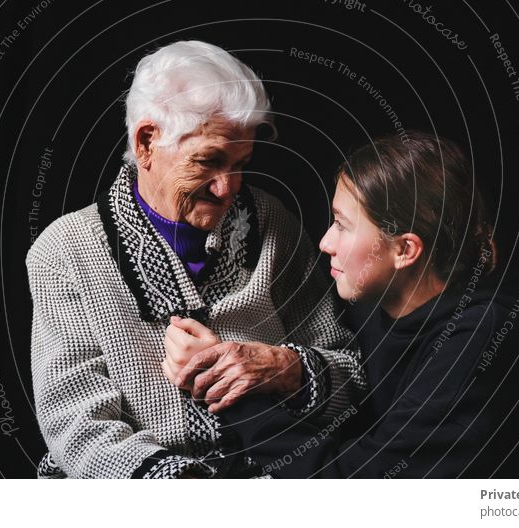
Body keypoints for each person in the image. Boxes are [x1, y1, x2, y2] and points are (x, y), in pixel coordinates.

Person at [26, 40, 367, 479]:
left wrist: (284, 370)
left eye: (241, 162)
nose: (228, 188)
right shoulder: (66, 252)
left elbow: (349, 373)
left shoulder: (272, 222)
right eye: (208, 161)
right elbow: (77, 426)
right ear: (147, 142)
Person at [166, 131, 519, 477]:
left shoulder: (478, 341)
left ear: (404, 250)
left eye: (344, 226)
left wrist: (229, 386)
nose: (325, 243)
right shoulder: (374, 310)